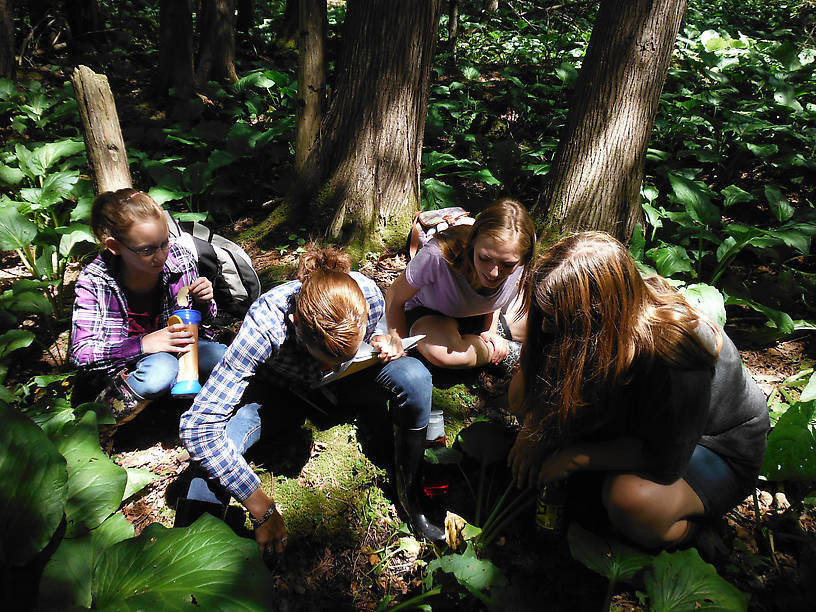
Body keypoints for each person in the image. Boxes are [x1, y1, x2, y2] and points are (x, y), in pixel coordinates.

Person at [507, 231, 769, 549]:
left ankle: (693, 536)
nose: (546, 328)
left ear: (598, 318)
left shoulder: (676, 352)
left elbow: (665, 458)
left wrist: (574, 457)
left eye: (557, 320)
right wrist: (534, 427)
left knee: (629, 500)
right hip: (637, 420)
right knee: (521, 398)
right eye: (544, 315)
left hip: (712, 445)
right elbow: (529, 384)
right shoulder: (600, 318)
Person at [178, 246, 444, 553]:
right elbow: (199, 428)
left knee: (414, 376)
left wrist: (385, 341)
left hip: (347, 387)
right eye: (322, 357)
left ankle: (410, 490)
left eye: (337, 357)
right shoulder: (266, 325)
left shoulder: (367, 295)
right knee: (229, 434)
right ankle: (191, 541)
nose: (327, 366)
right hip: (281, 392)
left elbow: (380, 335)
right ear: (294, 323)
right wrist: (260, 506)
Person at [71, 188, 226, 425]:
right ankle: (98, 424)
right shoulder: (96, 280)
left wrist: (204, 302)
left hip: (184, 355)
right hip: (129, 370)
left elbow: (202, 322)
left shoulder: (179, 258)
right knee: (161, 369)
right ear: (115, 246)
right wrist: (144, 344)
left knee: (220, 356)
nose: (161, 255)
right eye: (147, 250)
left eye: (164, 243)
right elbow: (82, 354)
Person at [383, 198, 536, 373]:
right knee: (443, 353)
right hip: (433, 316)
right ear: (472, 244)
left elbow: (496, 298)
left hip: (481, 315)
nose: (494, 272)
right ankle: (504, 353)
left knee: (542, 325)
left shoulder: (518, 259)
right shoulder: (437, 255)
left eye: (507, 265)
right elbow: (395, 296)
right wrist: (398, 342)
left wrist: (490, 332)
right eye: (484, 258)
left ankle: (493, 341)